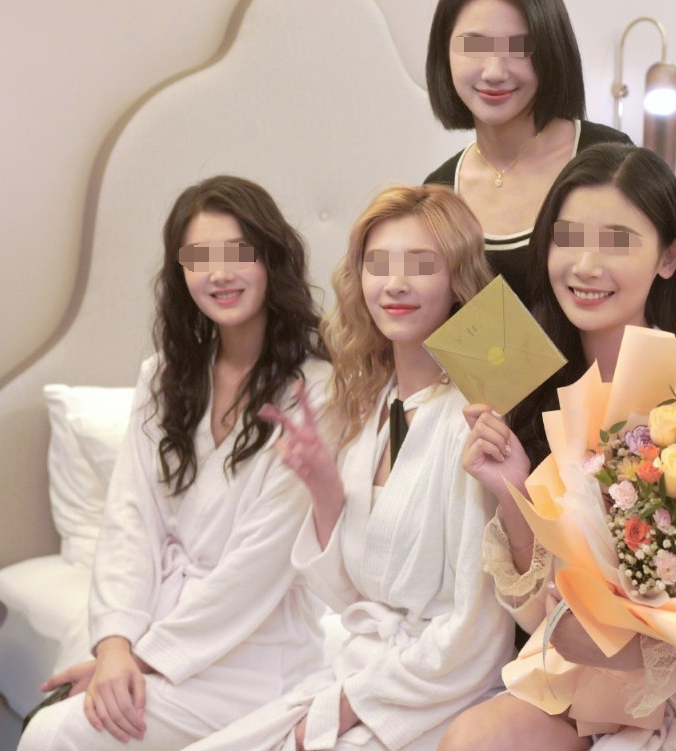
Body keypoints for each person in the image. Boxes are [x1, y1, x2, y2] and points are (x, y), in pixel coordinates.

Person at [439, 144, 676, 751]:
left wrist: (642, 652)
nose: (586, 265)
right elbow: (541, 618)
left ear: (669, 257)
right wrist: (512, 490)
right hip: (577, 682)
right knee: (471, 741)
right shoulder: (530, 389)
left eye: (616, 242)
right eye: (567, 239)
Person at [181, 185, 513, 751]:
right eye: (377, 265)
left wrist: (351, 704)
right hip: (359, 672)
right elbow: (347, 598)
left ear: (458, 280)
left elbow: (477, 637)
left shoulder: (474, 419)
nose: (395, 284)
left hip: (433, 700)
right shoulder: (373, 405)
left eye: (421, 265)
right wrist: (323, 488)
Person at [20, 177, 331, 750]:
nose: (219, 274)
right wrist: (114, 644)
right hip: (151, 626)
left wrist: (140, 660)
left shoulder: (317, 390)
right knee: (54, 719)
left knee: (56, 735)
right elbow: (129, 519)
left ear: (270, 258)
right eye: (198, 258)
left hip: (253, 651)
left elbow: (256, 570)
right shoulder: (164, 376)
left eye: (237, 253)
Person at [423, 0, 676, 373]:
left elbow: (664, 273)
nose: (494, 71)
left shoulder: (605, 156)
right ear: (445, 52)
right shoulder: (438, 193)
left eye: (519, 49)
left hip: (624, 402)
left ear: (550, 51)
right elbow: (453, 340)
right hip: (506, 410)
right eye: (473, 46)